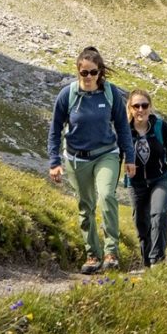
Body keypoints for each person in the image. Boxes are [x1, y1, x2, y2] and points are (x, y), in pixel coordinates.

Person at [48, 47, 135, 273]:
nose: (88, 77)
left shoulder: (110, 93)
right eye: (84, 73)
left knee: (106, 196)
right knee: (85, 206)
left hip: (107, 154)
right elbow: (55, 129)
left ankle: (111, 252)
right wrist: (54, 162)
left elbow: (123, 127)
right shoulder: (67, 95)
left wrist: (130, 158)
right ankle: (92, 255)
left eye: (93, 72)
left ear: (100, 72)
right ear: (78, 72)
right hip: (76, 158)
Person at [125, 89, 167, 268]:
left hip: (160, 179)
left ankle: (157, 259)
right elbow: (116, 155)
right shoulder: (124, 130)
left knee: (159, 215)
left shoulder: (160, 126)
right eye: (136, 106)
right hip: (136, 183)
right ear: (130, 108)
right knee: (141, 223)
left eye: (144, 105)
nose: (140, 109)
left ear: (150, 108)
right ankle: (147, 262)